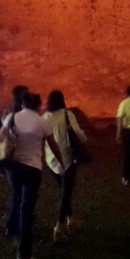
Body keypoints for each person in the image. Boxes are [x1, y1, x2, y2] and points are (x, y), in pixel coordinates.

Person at [3, 91, 61, 259]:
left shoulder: (11, 119)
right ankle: (24, 252)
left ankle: (11, 228)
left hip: (14, 168)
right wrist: (63, 163)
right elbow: (53, 145)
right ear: (38, 105)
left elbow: (2, 141)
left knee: (16, 197)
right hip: (32, 168)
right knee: (26, 209)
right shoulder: (41, 122)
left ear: (22, 104)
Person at [43, 90, 87, 242]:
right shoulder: (67, 114)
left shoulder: (45, 117)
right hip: (67, 159)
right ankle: (59, 228)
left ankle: (70, 220)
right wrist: (84, 138)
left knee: (64, 190)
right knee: (66, 193)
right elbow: (77, 132)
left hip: (51, 161)